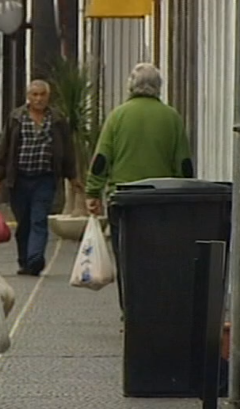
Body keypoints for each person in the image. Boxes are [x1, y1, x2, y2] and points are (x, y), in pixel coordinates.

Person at [85, 63, 193, 314]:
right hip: (161, 199)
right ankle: (157, 305)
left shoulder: (118, 116)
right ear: (159, 87)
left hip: (125, 199)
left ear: (130, 85)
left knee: (126, 257)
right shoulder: (172, 118)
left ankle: (130, 310)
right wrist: (187, 192)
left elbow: (102, 158)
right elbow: (184, 163)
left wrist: (93, 192)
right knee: (160, 256)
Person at [0, 79, 82, 276]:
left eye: (42, 95)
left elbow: (67, 150)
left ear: (48, 97)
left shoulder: (57, 120)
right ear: (28, 97)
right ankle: (25, 260)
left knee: (39, 219)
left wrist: (73, 177)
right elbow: (3, 148)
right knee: (24, 222)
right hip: (19, 179)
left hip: (45, 179)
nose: (38, 99)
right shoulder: (16, 118)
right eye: (35, 95)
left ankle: (35, 258)